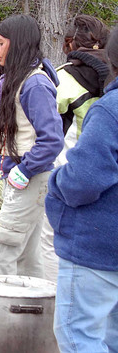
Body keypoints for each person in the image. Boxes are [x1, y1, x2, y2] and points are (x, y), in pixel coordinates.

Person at [46, 28, 118, 353]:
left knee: (78, 335)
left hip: (98, 246)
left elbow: (83, 180)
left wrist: (56, 181)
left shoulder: (109, 111)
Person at [0, 14, 63, 278]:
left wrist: (25, 169)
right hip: (21, 176)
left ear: (18, 44)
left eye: (1, 43)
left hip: (31, 178)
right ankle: (36, 316)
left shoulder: (34, 83)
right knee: (27, 256)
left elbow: (52, 139)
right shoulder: (15, 79)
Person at [40, 15, 111, 282]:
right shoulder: (111, 76)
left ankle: (52, 301)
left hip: (67, 167)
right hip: (104, 168)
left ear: (70, 43)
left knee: (49, 238)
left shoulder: (63, 79)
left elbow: (44, 126)